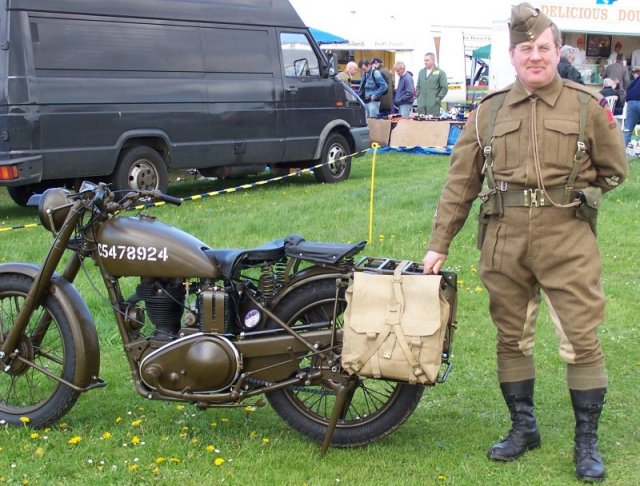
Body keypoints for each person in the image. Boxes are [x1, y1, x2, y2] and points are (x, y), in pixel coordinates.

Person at [422, 2, 628, 483]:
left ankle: (586, 443)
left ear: (558, 52)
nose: (534, 56)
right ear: (512, 56)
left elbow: (616, 168)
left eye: (543, 48)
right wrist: (438, 244)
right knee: (510, 337)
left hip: (567, 238)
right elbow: (460, 184)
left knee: (581, 339)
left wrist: (581, 196)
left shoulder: (585, 105)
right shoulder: (488, 112)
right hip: (504, 238)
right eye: (524, 49)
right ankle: (523, 429)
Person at [623, 66, 640, 148]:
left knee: (628, 129)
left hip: (631, 102)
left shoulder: (636, 80)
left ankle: (621, 152)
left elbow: (628, 89)